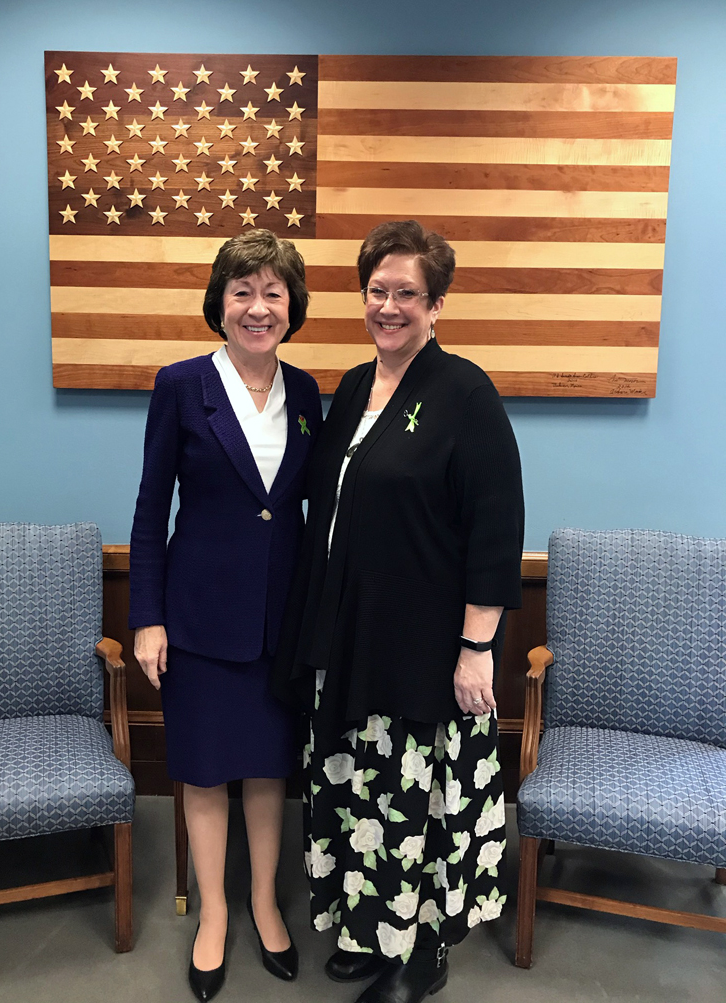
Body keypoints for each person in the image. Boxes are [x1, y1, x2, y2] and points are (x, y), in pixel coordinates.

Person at [273, 220, 524, 1003]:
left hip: (423, 651)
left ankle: (421, 951)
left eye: (406, 293)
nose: (388, 306)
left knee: (416, 801)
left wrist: (477, 646)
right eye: (377, 291)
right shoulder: (352, 386)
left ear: (436, 303)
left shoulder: (465, 394)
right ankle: (370, 930)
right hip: (348, 639)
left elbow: (497, 524)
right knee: (361, 796)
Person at [129, 228, 322, 1002]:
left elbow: (316, 507)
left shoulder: (307, 393)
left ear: (291, 307)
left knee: (271, 767)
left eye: (273, 292)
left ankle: (264, 900)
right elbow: (150, 511)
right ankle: (214, 914)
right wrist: (147, 615)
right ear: (220, 302)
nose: (258, 306)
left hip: (284, 620)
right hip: (199, 617)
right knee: (206, 772)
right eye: (243, 290)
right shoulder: (180, 385)